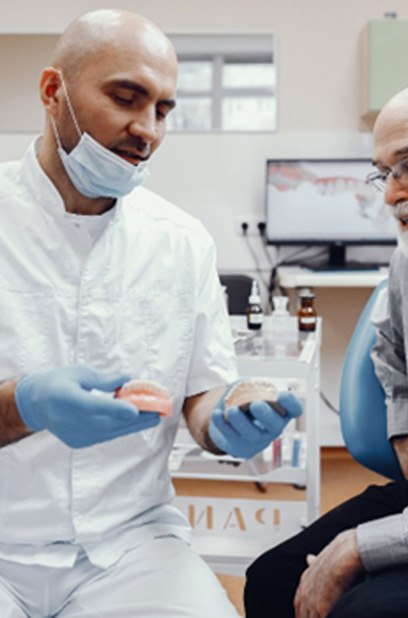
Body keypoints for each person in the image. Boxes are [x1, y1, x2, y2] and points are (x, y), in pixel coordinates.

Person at [0, 9, 302, 618]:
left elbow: (201, 394)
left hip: (131, 546)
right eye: (126, 97)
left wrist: (226, 417)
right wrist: (23, 404)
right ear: (53, 91)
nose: (148, 129)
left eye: (163, 109)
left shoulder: (181, 241)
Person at [244, 72, 408, 618]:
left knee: (367, 609)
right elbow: (389, 344)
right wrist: (403, 424)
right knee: (271, 581)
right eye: (383, 174)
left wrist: (363, 546)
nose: (393, 193)